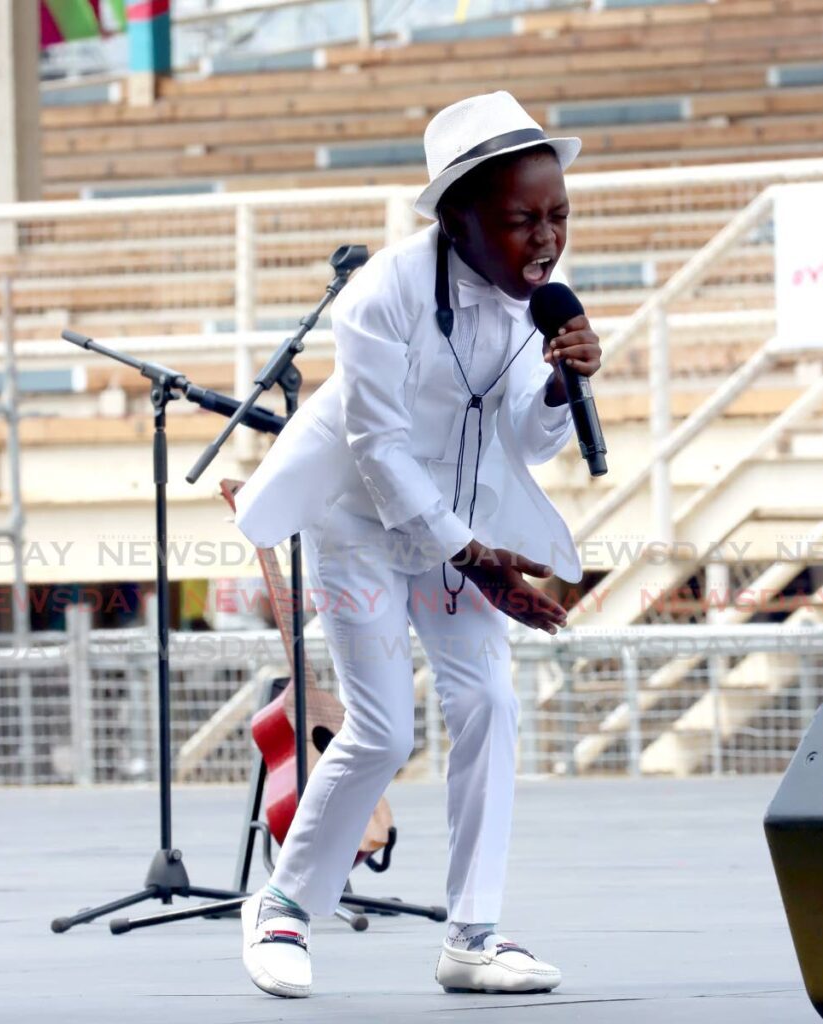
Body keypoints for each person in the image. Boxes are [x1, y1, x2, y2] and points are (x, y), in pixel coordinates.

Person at [233, 90, 602, 998]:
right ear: (458, 216)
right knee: (384, 726)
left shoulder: (534, 299)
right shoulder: (382, 295)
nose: (547, 239)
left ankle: (471, 935)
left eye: (558, 214)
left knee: (490, 706)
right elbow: (378, 447)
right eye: (523, 220)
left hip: (459, 523)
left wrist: (560, 389)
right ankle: (282, 905)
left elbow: (522, 433)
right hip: (358, 520)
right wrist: (478, 563)